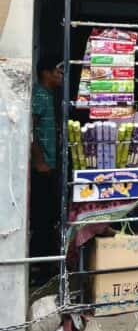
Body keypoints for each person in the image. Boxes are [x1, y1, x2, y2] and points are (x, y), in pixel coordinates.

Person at [31, 57, 63, 262]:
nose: (61, 76)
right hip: (41, 167)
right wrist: (40, 161)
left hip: (50, 165)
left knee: (49, 215)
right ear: (46, 73)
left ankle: (45, 264)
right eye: (58, 72)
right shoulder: (40, 96)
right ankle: (39, 264)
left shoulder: (49, 95)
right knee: (42, 217)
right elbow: (29, 129)